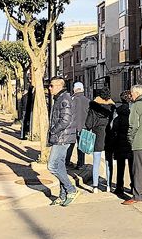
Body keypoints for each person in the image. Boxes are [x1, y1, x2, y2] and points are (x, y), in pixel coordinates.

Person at [46, 77, 79, 206]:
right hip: (61, 137)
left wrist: (53, 130)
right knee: (59, 166)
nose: (49, 88)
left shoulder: (64, 99)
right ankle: (63, 194)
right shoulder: (60, 98)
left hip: (62, 137)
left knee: (52, 165)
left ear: (60, 86)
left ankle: (71, 190)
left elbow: (65, 120)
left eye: (51, 85)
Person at [84, 89, 114, 192]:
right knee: (108, 161)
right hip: (109, 137)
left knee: (96, 161)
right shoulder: (112, 107)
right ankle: (109, 185)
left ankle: (95, 186)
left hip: (97, 136)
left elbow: (88, 124)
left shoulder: (93, 107)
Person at [106, 90, 133, 199]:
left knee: (120, 166)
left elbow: (112, 126)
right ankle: (134, 186)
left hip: (119, 142)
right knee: (133, 166)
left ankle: (119, 187)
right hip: (131, 142)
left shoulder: (117, 111)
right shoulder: (134, 111)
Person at [63, 81, 90, 172]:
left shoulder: (71, 100)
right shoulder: (87, 100)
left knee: (69, 146)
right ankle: (81, 164)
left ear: (74, 89)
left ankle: (66, 162)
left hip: (72, 127)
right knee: (81, 146)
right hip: (84, 126)